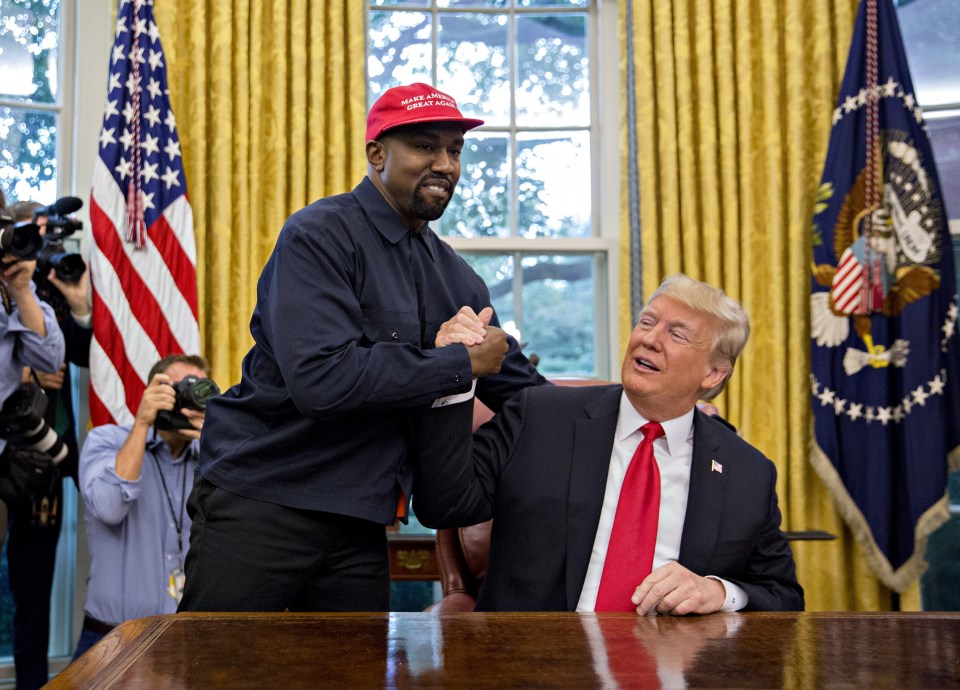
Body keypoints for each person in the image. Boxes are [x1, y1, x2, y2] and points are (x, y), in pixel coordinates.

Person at [178, 82, 546, 614]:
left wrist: (614, 416)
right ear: (377, 154)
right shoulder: (318, 236)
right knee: (219, 672)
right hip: (263, 501)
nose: (445, 163)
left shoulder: (457, 280)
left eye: (455, 150)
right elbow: (322, 381)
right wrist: (459, 363)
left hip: (360, 521)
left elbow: (523, 392)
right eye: (425, 146)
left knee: (351, 674)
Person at [411, 273, 804, 613]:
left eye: (677, 334)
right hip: (536, 664)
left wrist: (718, 591)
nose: (649, 339)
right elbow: (442, 504)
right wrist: (453, 376)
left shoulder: (747, 472)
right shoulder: (540, 416)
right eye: (646, 322)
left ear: (713, 374)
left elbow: (782, 595)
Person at [2, 198, 91, 689]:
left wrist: (77, 305)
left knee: (35, 588)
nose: (38, 245)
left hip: (45, 457)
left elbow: (80, 356)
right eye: (29, 234)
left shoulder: (52, 284)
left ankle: (32, 684)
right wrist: (29, 370)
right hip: (6, 448)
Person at [73, 354, 209, 659]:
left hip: (185, 638)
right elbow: (109, 507)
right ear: (152, 392)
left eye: (198, 389)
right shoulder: (106, 441)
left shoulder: (211, 455)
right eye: (179, 389)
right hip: (112, 639)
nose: (189, 397)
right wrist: (142, 424)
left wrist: (215, 441)